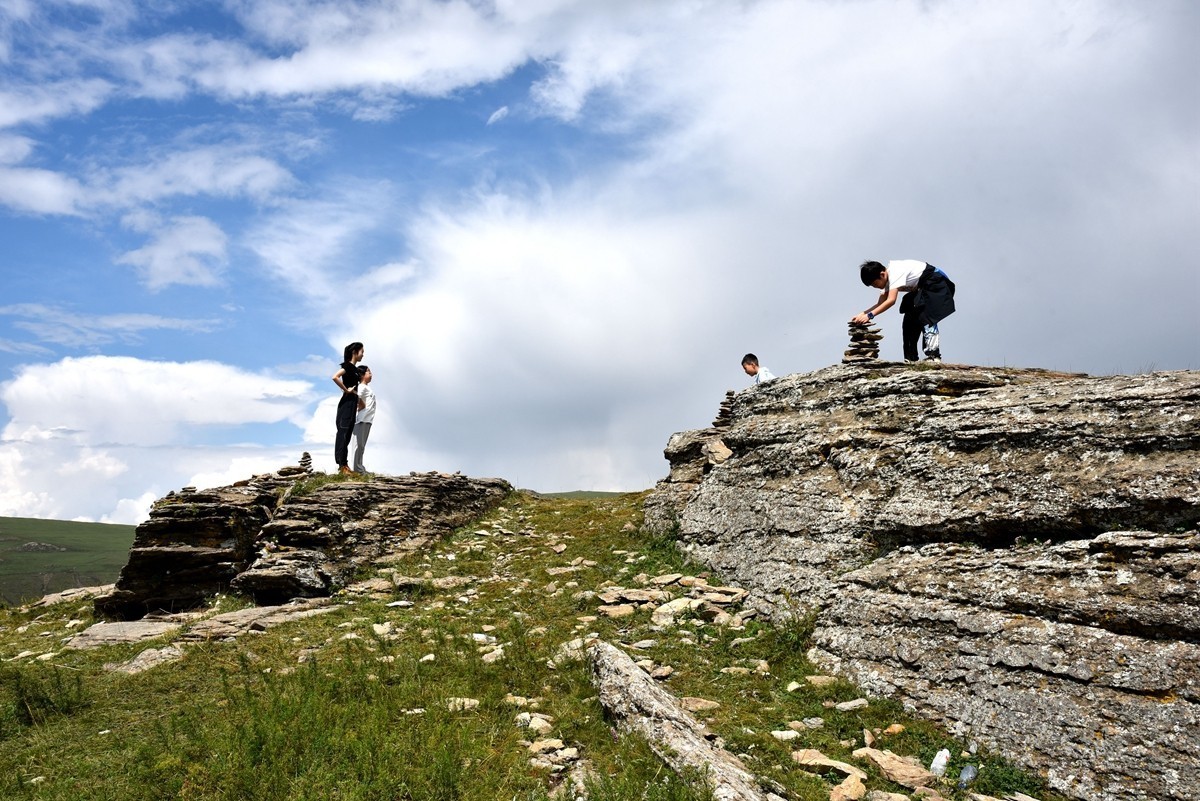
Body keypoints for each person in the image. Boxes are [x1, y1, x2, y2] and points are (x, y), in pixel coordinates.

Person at [851, 260, 956, 362]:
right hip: (922, 288)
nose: (875, 287)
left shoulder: (894, 272)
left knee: (925, 315)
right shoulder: (886, 281)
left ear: (882, 274)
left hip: (937, 282)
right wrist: (862, 314)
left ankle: (934, 355)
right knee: (909, 319)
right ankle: (911, 359)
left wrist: (869, 315)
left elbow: (891, 300)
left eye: (875, 284)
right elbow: (880, 304)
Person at [331, 342, 363, 474]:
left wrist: (359, 401)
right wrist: (346, 390)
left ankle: (345, 466)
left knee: (348, 433)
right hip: (346, 403)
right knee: (343, 432)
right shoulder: (348, 366)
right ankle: (342, 465)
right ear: (354, 352)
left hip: (352, 403)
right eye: (361, 351)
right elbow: (335, 377)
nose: (363, 354)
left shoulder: (355, 370)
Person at [352, 364, 375, 474]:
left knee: (362, 445)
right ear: (361, 375)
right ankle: (357, 469)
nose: (371, 374)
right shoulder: (361, 387)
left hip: (367, 420)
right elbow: (356, 397)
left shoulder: (367, 387)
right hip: (362, 419)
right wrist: (360, 406)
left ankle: (359, 467)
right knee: (359, 445)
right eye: (368, 372)